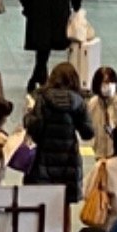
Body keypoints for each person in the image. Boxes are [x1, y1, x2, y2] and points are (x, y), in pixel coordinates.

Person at [24, 63, 94, 205]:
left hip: (43, 161)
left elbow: (35, 127)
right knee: (64, 205)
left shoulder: (42, 99)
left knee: (42, 207)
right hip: (69, 162)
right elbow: (88, 133)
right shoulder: (78, 102)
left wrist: (28, 116)